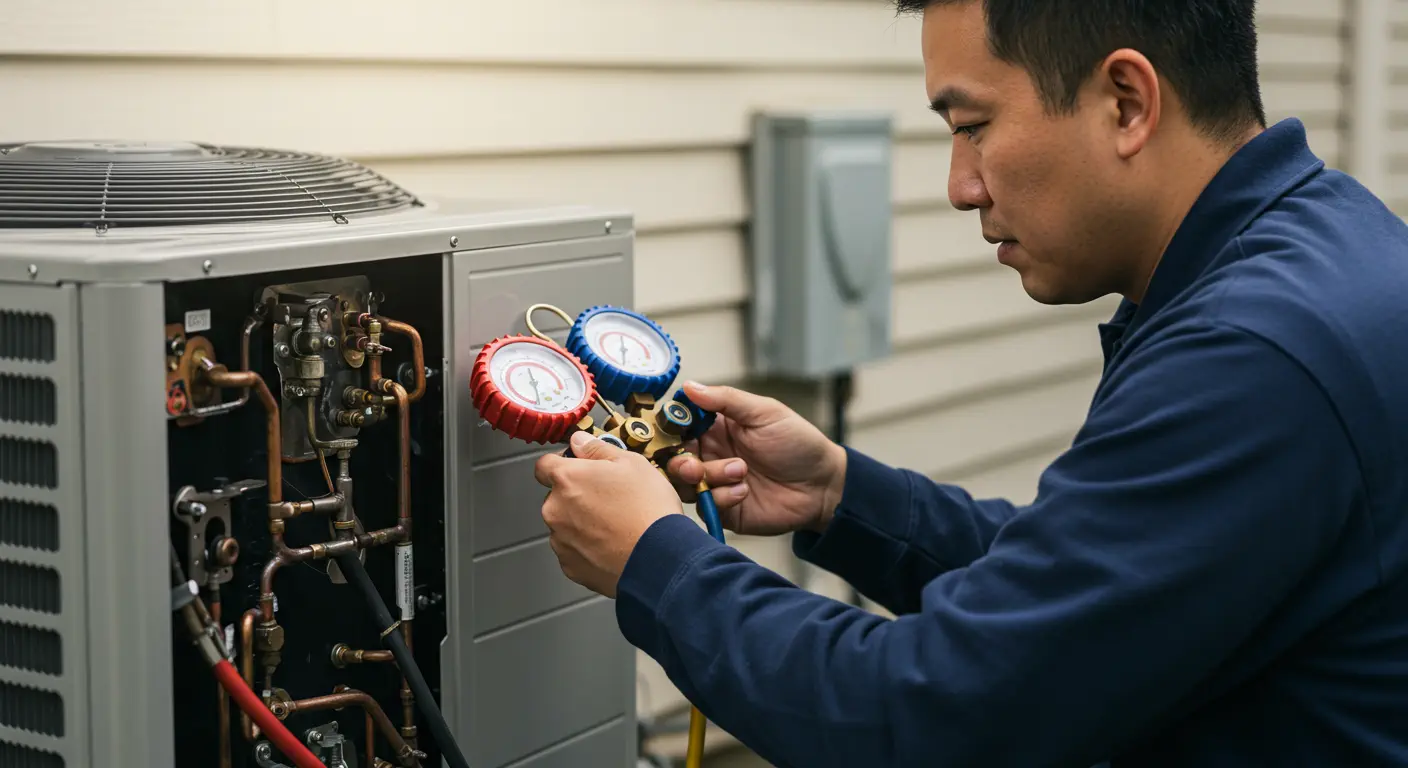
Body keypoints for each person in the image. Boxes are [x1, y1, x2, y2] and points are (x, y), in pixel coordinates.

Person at [533, 0, 1408, 764]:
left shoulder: (1251, 355)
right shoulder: (1324, 244)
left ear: (1126, 101)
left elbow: (930, 719)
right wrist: (842, 496)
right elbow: (1097, 590)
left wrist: (655, 561)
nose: (960, 187)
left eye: (972, 125)